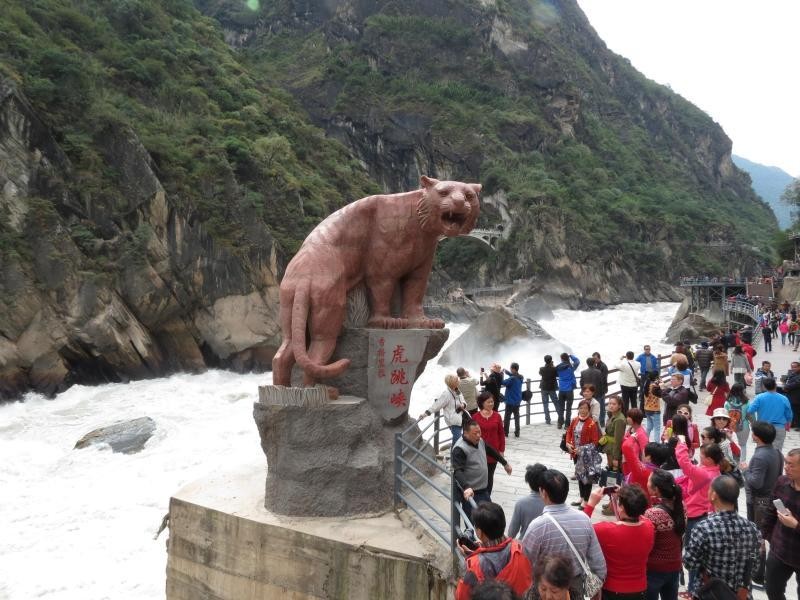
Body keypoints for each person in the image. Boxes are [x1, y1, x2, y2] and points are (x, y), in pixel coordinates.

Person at [521, 469, 607, 599]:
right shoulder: (584, 519)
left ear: (543, 492)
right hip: (576, 586)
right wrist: (596, 586)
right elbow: (598, 563)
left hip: (546, 588)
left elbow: (525, 562)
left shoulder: (537, 527)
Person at [683, 476, 762, 599]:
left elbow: (689, 563)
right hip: (741, 595)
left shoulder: (704, 528)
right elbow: (755, 566)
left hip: (710, 594)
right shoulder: (752, 528)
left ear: (714, 495)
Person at [583, 484, 655, 600]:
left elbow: (581, 529)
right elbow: (632, 515)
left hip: (611, 590)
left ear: (621, 507)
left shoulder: (604, 530)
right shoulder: (649, 526)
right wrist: (622, 499)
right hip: (640, 589)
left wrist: (591, 504)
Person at [675, 441, 726, 594]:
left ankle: (692, 590)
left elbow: (685, 463)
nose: (699, 457)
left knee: (693, 556)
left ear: (709, 459)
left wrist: (682, 444)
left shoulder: (704, 474)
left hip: (696, 516)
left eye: (702, 455)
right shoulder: (715, 472)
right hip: (703, 513)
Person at [455, 501, 533, 600]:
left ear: (479, 532)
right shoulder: (521, 548)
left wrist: (469, 559)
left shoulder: (473, 566)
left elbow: (461, 596)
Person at [740, 421, 784, 585]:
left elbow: (756, 482)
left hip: (760, 502)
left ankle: (758, 574)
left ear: (756, 437)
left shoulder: (760, 456)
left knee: (758, 537)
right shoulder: (777, 452)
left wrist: (745, 469)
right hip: (771, 498)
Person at [453, 420, 513, 520]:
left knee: (488, 519)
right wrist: (466, 487)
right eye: (475, 433)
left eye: (479, 432)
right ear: (466, 433)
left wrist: (504, 463)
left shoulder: (480, 441)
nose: (478, 435)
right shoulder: (460, 448)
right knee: (473, 522)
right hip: (471, 493)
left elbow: (491, 451)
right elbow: (458, 471)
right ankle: (470, 535)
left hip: (483, 490)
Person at [761, 448, 800, 600]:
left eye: (791, 465)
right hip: (779, 550)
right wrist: (764, 536)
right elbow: (771, 510)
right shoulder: (782, 482)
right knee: (772, 590)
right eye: (785, 463)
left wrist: (796, 525)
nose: (786, 467)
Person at [643, 469, 685, 600]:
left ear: (656, 489)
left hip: (655, 568)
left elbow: (647, 543)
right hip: (674, 565)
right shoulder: (681, 506)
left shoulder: (653, 514)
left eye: (648, 481)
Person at [565, 400, 602, 507]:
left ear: (589, 410)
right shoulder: (575, 420)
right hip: (575, 453)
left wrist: (581, 449)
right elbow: (569, 433)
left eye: (585, 408)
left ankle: (586, 500)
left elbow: (595, 442)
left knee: (587, 477)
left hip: (587, 455)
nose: (583, 410)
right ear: (578, 409)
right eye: (581, 408)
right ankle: (581, 497)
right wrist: (568, 443)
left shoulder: (591, 424)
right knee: (579, 475)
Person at [473, 391, 506, 495]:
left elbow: (501, 434)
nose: (491, 404)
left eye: (492, 402)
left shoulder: (497, 416)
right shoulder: (475, 417)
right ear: (482, 403)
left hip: (493, 452)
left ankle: (487, 496)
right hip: (479, 451)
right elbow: (472, 434)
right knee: (480, 474)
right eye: (489, 402)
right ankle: (479, 493)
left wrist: (501, 450)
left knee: (490, 475)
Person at [747, 377, 793, 451]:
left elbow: (749, 411)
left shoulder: (759, 397)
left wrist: (754, 422)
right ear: (775, 385)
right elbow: (789, 414)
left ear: (764, 386)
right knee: (777, 450)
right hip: (779, 427)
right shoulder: (784, 398)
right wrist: (788, 424)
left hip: (763, 428)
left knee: (762, 449)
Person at [420, 373, 466, 442]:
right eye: (457, 380)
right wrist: (426, 414)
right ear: (452, 382)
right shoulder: (446, 394)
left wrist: (463, 404)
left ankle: (454, 452)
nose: (459, 381)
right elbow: (437, 405)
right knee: (458, 440)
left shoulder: (457, 390)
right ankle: (455, 452)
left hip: (460, 418)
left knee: (457, 440)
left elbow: (463, 401)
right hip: (453, 421)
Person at [508, 463, 547, 539]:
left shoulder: (521, 503)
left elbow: (512, 531)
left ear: (529, 482)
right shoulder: (552, 502)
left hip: (525, 543)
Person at [725, 382, 752, 461]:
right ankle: (742, 462)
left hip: (730, 425)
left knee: (727, 442)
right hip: (743, 424)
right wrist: (754, 424)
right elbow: (750, 415)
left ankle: (729, 459)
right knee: (743, 445)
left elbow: (725, 414)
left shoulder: (727, 402)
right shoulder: (746, 402)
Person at [556, 353, 580, 429]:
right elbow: (577, 361)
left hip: (561, 389)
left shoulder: (558, 367)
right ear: (567, 358)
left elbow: (556, 374)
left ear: (561, 359)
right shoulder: (571, 366)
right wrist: (571, 356)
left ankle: (559, 423)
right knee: (568, 408)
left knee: (561, 407)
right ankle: (567, 425)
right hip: (569, 390)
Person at [502, 363, 524, 438]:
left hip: (510, 401)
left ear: (513, 369)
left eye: (511, 369)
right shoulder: (520, 377)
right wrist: (508, 372)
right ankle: (517, 432)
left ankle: (505, 433)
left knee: (507, 418)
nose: (510, 370)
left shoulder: (512, 379)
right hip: (517, 400)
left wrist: (501, 374)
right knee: (516, 417)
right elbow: (514, 376)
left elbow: (503, 382)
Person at [642, 371, 663, 442]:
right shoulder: (655, 386)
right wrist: (661, 381)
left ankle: (644, 441)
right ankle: (657, 444)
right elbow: (662, 393)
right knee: (657, 428)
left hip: (647, 409)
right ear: (656, 377)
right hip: (655, 410)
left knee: (649, 426)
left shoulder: (646, 384)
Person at [781, 361, 800, 431]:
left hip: (797, 395)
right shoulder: (792, 373)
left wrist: (786, 387)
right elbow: (786, 379)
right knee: (791, 409)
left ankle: (798, 425)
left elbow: (797, 383)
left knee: (797, 410)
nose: (793, 368)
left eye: (795, 367)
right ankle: (793, 423)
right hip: (791, 394)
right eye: (792, 367)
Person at [539, 355, 558, 426]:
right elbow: (557, 375)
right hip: (552, 388)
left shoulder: (541, 369)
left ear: (545, 360)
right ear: (551, 360)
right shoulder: (554, 369)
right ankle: (560, 417)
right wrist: (552, 366)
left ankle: (547, 420)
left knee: (545, 404)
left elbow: (540, 373)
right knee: (556, 403)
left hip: (543, 388)